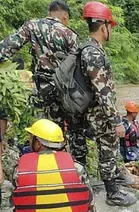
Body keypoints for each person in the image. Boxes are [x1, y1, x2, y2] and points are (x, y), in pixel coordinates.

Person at [0, 1, 81, 159]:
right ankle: (63, 165)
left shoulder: (32, 26)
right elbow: (77, 68)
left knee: (39, 129)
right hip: (63, 92)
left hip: (40, 90)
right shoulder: (70, 34)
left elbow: (8, 47)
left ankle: (38, 165)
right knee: (60, 132)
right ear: (65, 17)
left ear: (50, 12)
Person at [80, 1, 136, 206]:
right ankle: (113, 193)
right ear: (104, 27)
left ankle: (114, 180)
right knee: (108, 150)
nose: (110, 30)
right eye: (110, 27)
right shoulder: (93, 53)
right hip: (99, 114)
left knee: (108, 150)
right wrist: (116, 122)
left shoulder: (91, 49)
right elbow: (102, 91)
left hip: (97, 111)